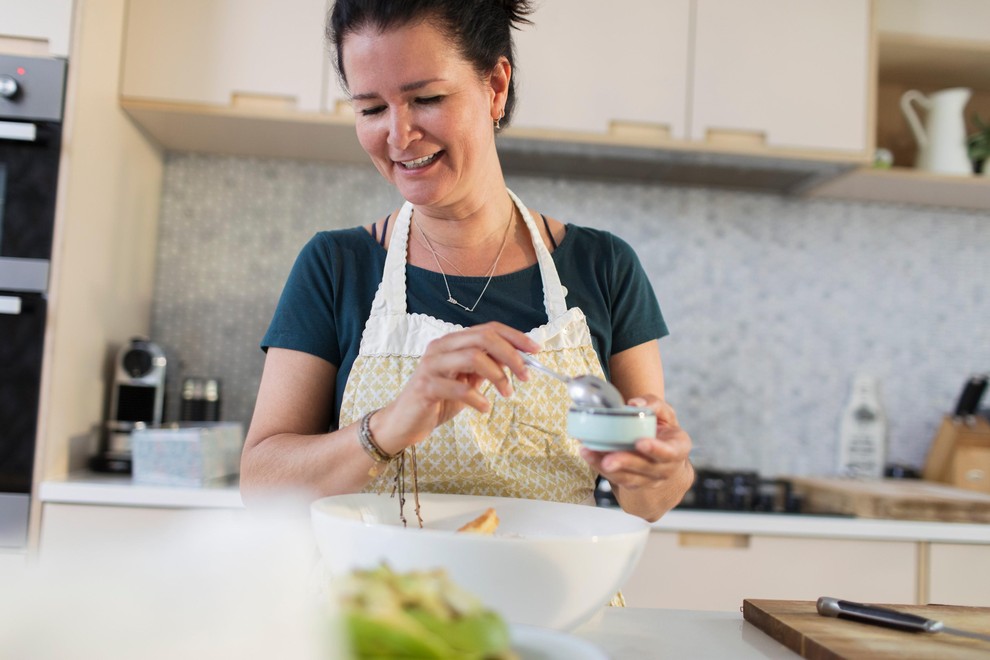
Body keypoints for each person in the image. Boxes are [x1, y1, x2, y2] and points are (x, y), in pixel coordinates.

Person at [241, 0, 693, 522]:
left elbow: (649, 498)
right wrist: (388, 426)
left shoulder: (603, 266)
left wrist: (659, 470)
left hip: (556, 602)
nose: (397, 134)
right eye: (370, 108)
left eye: (426, 98)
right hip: (381, 603)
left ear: (495, 86)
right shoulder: (335, 266)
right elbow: (262, 485)